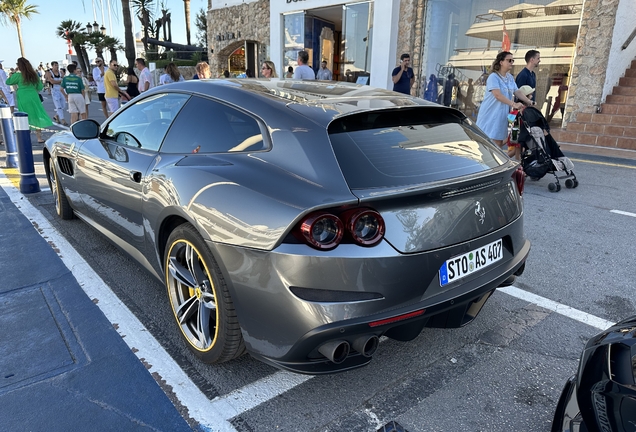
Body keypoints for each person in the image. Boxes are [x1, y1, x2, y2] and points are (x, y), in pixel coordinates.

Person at [475, 51, 533, 152]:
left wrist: (528, 101)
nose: (511, 62)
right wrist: (514, 104)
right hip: (490, 114)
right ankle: (488, 165)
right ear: (501, 62)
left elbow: (517, 91)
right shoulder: (494, 77)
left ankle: (494, 165)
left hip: (501, 115)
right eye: (509, 60)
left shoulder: (509, 78)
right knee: (488, 143)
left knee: (499, 143)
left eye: (512, 60)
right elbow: (497, 95)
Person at [6, 57, 53, 143]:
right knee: (36, 115)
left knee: (24, 116)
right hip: (33, 96)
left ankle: (25, 136)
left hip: (23, 96)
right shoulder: (33, 75)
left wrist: (13, 72)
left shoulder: (18, 75)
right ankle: (39, 137)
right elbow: (40, 87)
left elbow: (8, 82)